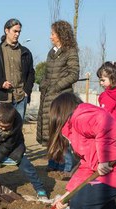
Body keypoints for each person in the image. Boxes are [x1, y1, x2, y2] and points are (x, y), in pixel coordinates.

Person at [0, 103, 48, 199]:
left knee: (26, 165)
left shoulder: (16, 126)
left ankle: (40, 189)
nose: (3, 129)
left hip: (13, 146)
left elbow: (6, 148)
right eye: (1, 126)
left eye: (7, 127)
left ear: (13, 121)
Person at [36, 20, 80, 176]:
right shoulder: (51, 52)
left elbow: (74, 74)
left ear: (61, 34)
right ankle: (53, 162)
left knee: (62, 132)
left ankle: (67, 166)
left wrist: (57, 86)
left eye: (52, 34)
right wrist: (43, 84)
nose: (50, 37)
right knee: (50, 129)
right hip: (48, 96)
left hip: (62, 98)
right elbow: (47, 74)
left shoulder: (71, 52)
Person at [0, 18, 35, 120]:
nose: (17, 34)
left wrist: (27, 91)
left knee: (16, 132)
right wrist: (1, 83)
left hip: (20, 98)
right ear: (7, 30)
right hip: (1, 99)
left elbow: (31, 73)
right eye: (15, 31)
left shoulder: (26, 52)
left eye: (19, 32)